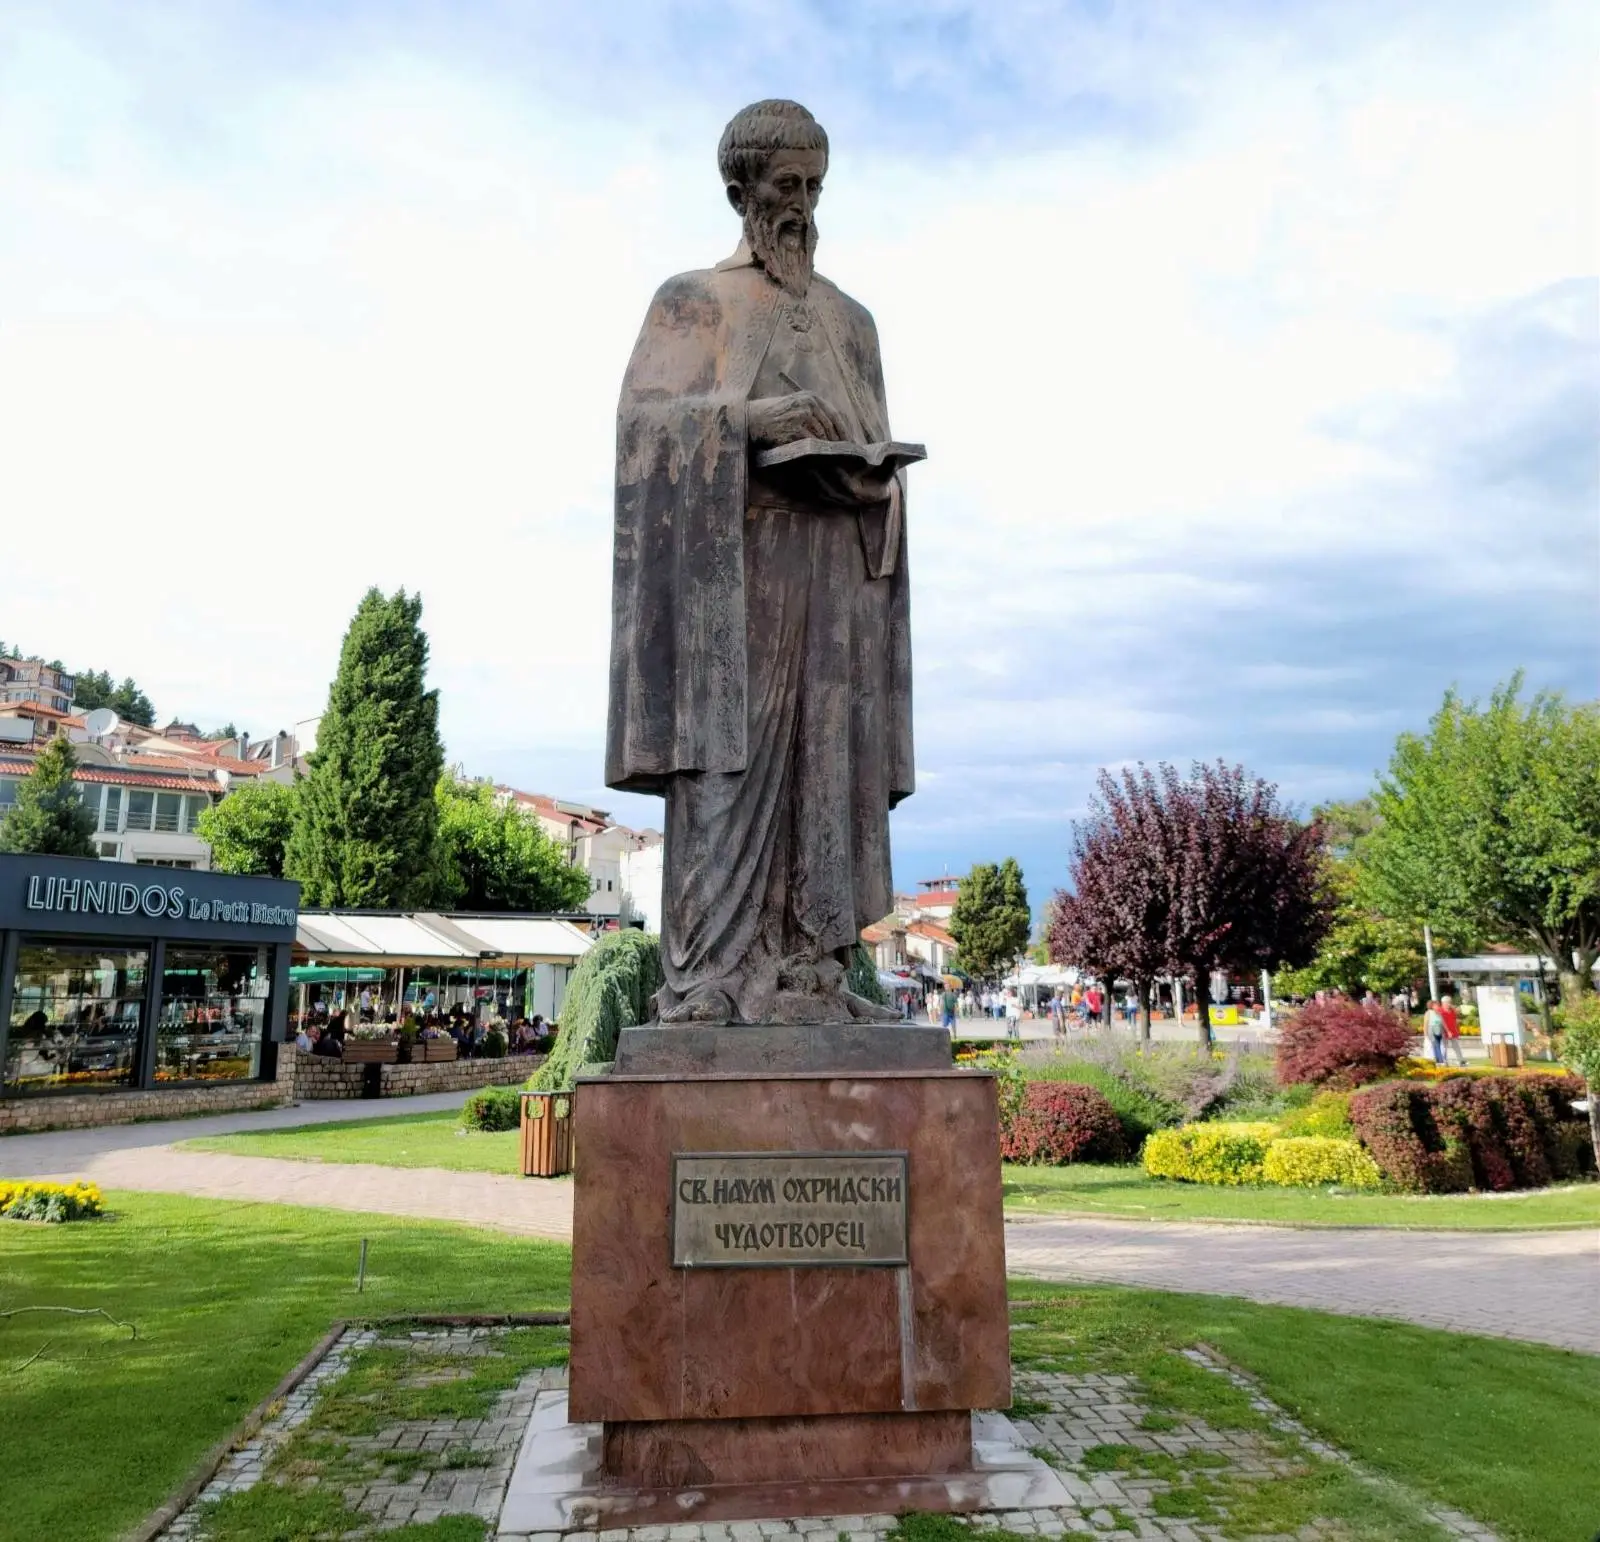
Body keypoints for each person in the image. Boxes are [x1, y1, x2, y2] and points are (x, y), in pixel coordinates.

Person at [1439, 993, 1467, 1067]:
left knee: (1456, 1046)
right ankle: (1444, 1062)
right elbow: (1442, 1023)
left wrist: (1454, 1008)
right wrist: (1447, 1031)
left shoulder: (1451, 1010)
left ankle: (1461, 1061)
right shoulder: (1440, 1011)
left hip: (1453, 1031)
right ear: (1443, 1003)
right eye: (1448, 1002)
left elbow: (1458, 1015)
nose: (1450, 1004)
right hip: (1444, 1032)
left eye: (1450, 1002)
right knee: (1444, 1047)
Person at [1422, 999, 1446, 1066]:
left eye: (1438, 1005)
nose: (1438, 1006)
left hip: (1438, 1031)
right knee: (1436, 1046)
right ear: (1432, 1006)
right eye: (1436, 1005)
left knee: (1439, 1046)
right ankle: (1440, 1062)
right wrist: (1425, 1034)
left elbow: (1442, 1023)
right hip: (1431, 1031)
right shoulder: (1428, 1013)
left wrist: (1444, 1032)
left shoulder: (1439, 1013)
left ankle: (1438, 1061)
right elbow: (1425, 1024)